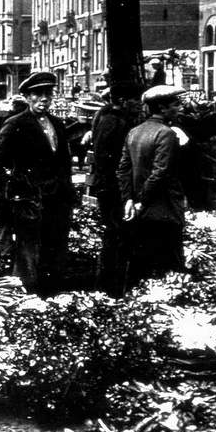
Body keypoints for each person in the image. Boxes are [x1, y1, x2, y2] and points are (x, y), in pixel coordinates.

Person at [0, 72, 76, 298]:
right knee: (29, 256)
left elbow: (64, 162)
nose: (44, 99)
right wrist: (15, 193)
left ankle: (53, 300)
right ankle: (29, 301)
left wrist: (69, 190)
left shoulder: (57, 124)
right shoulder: (16, 124)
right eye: (38, 95)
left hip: (58, 200)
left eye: (48, 94)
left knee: (56, 252)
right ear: (27, 97)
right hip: (31, 203)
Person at [117, 84, 187, 292]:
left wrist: (129, 199)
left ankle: (133, 301)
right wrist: (142, 201)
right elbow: (160, 173)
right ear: (163, 108)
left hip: (141, 210)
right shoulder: (166, 133)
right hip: (163, 207)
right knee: (170, 264)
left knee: (140, 260)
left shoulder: (134, 132)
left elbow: (123, 170)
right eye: (176, 104)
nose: (181, 108)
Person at [87, 83, 144, 297]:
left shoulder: (103, 118)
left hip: (105, 186)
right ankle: (115, 289)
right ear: (122, 102)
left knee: (111, 237)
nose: (139, 106)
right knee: (119, 238)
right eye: (135, 101)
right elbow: (120, 163)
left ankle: (106, 287)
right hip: (115, 188)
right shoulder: (117, 124)